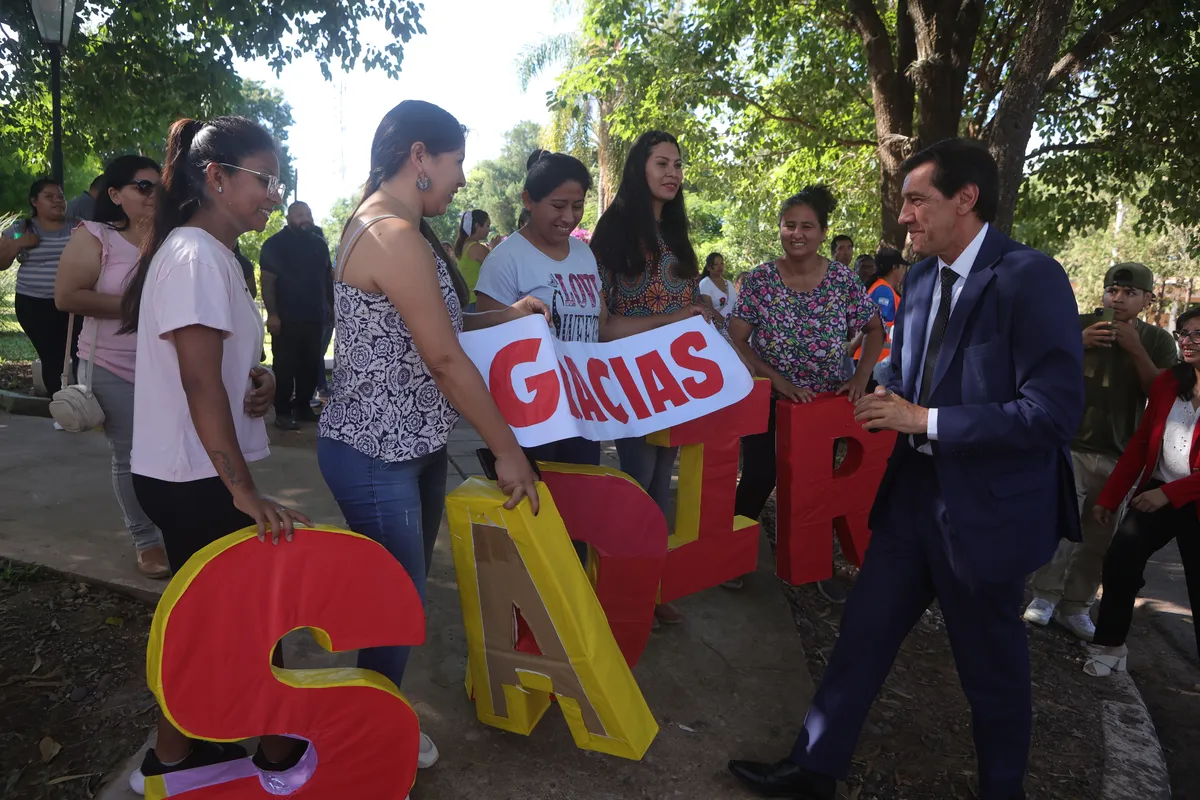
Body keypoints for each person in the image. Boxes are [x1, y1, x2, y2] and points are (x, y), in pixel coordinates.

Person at [728, 139, 1084, 800]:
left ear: (966, 198)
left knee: (992, 674)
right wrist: (875, 390)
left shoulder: (1031, 277)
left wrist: (925, 420)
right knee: (861, 636)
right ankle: (814, 770)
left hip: (984, 515)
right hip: (911, 500)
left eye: (917, 200)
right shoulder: (916, 280)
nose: (904, 217)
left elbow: (1053, 414)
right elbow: (912, 374)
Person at [317, 100, 543, 773]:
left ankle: (370, 716)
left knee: (396, 598)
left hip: (412, 446)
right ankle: (366, 739)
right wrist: (507, 450)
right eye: (456, 161)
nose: (463, 178)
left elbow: (438, 325)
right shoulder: (390, 234)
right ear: (419, 156)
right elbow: (443, 358)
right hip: (377, 453)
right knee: (397, 602)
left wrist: (507, 315)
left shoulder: (403, 230)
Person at [119, 117, 311, 789]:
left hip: (196, 472)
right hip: (195, 479)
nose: (274, 195)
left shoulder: (213, 255)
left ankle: (177, 756)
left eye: (279, 182)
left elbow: (216, 370)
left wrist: (256, 380)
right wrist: (243, 491)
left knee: (212, 621)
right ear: (217, 178)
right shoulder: (197, 256)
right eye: (264, 180)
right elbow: (199, 382)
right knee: (251, 618)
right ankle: (280, 755)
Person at [726, 186, 884, 592]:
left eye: (807, 227)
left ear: (822, 232)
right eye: (789, 225)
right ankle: (730, 560)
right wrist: (776, 380)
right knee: (759, 475)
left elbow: (874, 329)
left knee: (819, 485)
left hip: (822, 409)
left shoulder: (842, 280)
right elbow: (737, 337)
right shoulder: (761, 279)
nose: (797, 234)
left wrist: (860, 377)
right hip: (770, 400)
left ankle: (813, 566)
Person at [590, 130, 712, 626]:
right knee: (637, 482)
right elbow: (603, 327)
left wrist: (698, 315)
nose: (672, 173)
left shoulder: (677, 232)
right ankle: (617, 593)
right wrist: (676, 318)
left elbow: (688, 305)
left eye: (678, 164)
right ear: (639, 167)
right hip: (631, 379)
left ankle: (652, 589)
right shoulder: (613, 231)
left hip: (677, 380)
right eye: (662, 163)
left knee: (663, 482)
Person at [1025, 262, 1178, 642]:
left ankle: (1076, 605)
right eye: (1113, 290)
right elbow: (1036, 369)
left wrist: (1135, 348)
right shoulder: (1076, 325)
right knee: (1061, 526)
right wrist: (1077, 344)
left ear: (1147, 300)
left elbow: (1160, 394)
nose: (1118, 299)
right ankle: (1044, 596)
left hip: (1120, 454)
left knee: (1100, 536)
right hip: (1069, 443)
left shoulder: (1158, 341)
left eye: (1129, 293)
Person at [55, 155, 170, 580]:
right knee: (130, 454)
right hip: (112, 365)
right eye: (143, 186)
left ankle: (175, 525)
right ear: (116, 195)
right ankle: (146, 540)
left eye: (160, 186)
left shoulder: (174, 240)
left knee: (172, 450)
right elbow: (67, 297)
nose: (153, 194)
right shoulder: (96, 236)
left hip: (170, 367)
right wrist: (139, 307)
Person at [1086, 307, 1200, 676]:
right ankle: (1110, 646)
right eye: (1183, 333)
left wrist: (1170, 494)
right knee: (1120, 561)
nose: (1187, 341)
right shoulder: (1169, 382)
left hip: (1191, 498)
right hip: (1158, 489)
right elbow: (1140, 443)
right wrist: (1110, 497)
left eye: (1198, 334)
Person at [0, 179, 83, 396]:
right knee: (52, 357)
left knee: (81, 353)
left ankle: (82, 402)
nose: (57, 201)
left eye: (60, 197)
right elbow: (1, 261)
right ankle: (59, 403)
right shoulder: (21, 229)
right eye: (49, 196)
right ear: (34, 201)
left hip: (74, 303)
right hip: (34, 304)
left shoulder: (77, 227)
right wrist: (19, 242)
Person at [260, 202, 334, 430]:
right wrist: (273, 315)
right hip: (285, 319)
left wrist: (332, 309)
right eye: (300, 214)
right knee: (285, 366)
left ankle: (302, 407)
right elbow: (267, 283)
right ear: (289, 218)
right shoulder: (275, 245)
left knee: (310, 365)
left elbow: (328, 280)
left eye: (308, 214)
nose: (305, 219)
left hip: (314, 318)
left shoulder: (319, 245)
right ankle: (282, 412)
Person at [853, 246, 908, 365]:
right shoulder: (883, 290)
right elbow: (872, 322)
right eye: (902, 267)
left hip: (875, 359)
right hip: (875, 359)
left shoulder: (882, 287)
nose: (904, 271)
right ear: (895, 267)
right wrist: (853, 345)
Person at [453, 209, 491, 310]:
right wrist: (495, 248)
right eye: (487, 226)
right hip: (479, 301)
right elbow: (496, 268)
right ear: (477, 226)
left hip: (467, 300)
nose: (489, 230)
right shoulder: (478, 248)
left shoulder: (461, 246)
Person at [698, 252, 737, 321]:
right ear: (708, 267)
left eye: (722, 263)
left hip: (734, 322)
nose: (719, 266)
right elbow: (709, 309)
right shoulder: (705, 283)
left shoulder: (729, 283)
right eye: (715, 264)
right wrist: (725, 323)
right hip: (716, 324)